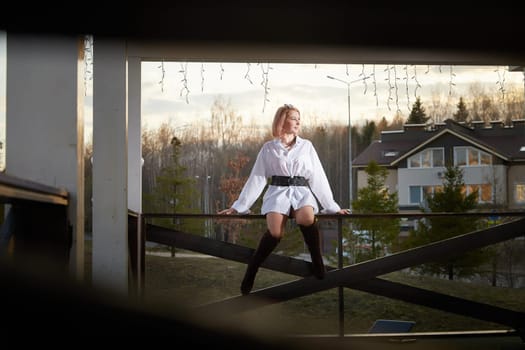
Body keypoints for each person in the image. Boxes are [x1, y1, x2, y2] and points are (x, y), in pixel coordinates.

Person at [218, 103, 349, 295]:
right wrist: (238, 207)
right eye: (294, 118)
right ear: (282, 120)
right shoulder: (268, 148)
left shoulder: (307, 146)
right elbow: (258, 178)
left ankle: (317, 260)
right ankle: (252, 269)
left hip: (302, 191)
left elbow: (318, 177)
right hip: (277, 192)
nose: (298, 122)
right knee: (275, 233)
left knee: (306, 218)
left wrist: (331, 206)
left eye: (299, 118)